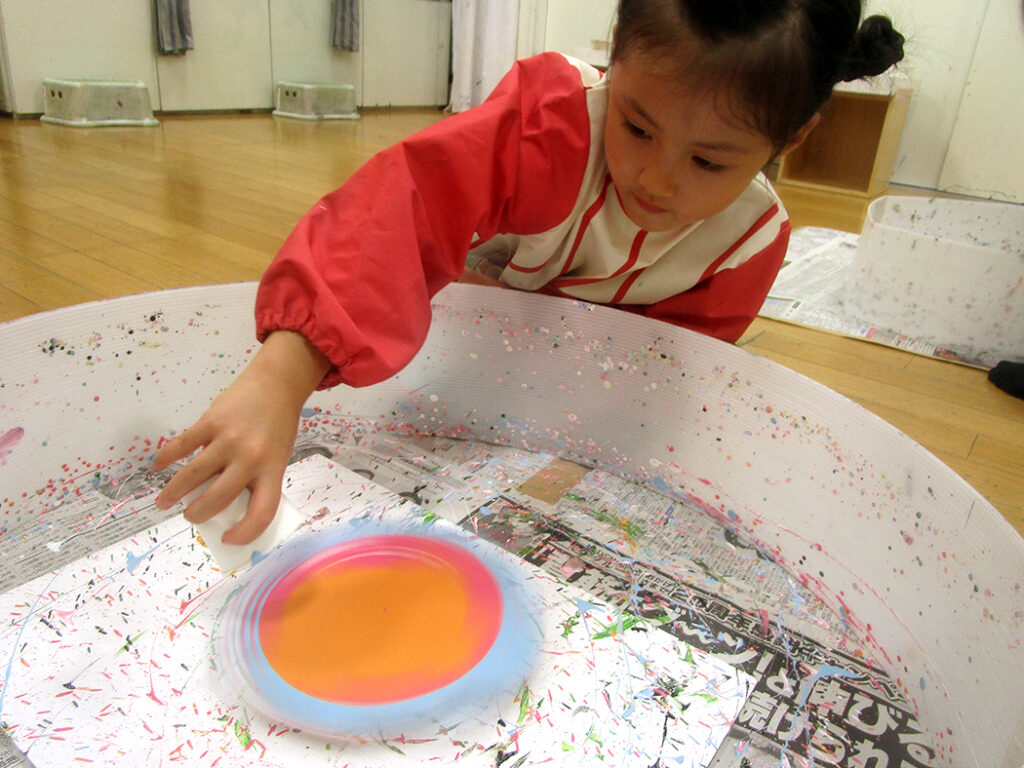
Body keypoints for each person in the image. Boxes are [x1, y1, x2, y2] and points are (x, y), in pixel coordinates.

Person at [152, 0, 905, 544]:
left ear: (791, 138)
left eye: (709, 161)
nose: (657, 180)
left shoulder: (745, 242)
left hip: (567, 393)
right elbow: (398, 212)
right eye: (636, 126)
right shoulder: (554, 120)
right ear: (615, 55)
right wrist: (281, 377)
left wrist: (581, 457)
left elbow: (661, 375)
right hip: (464, 338)